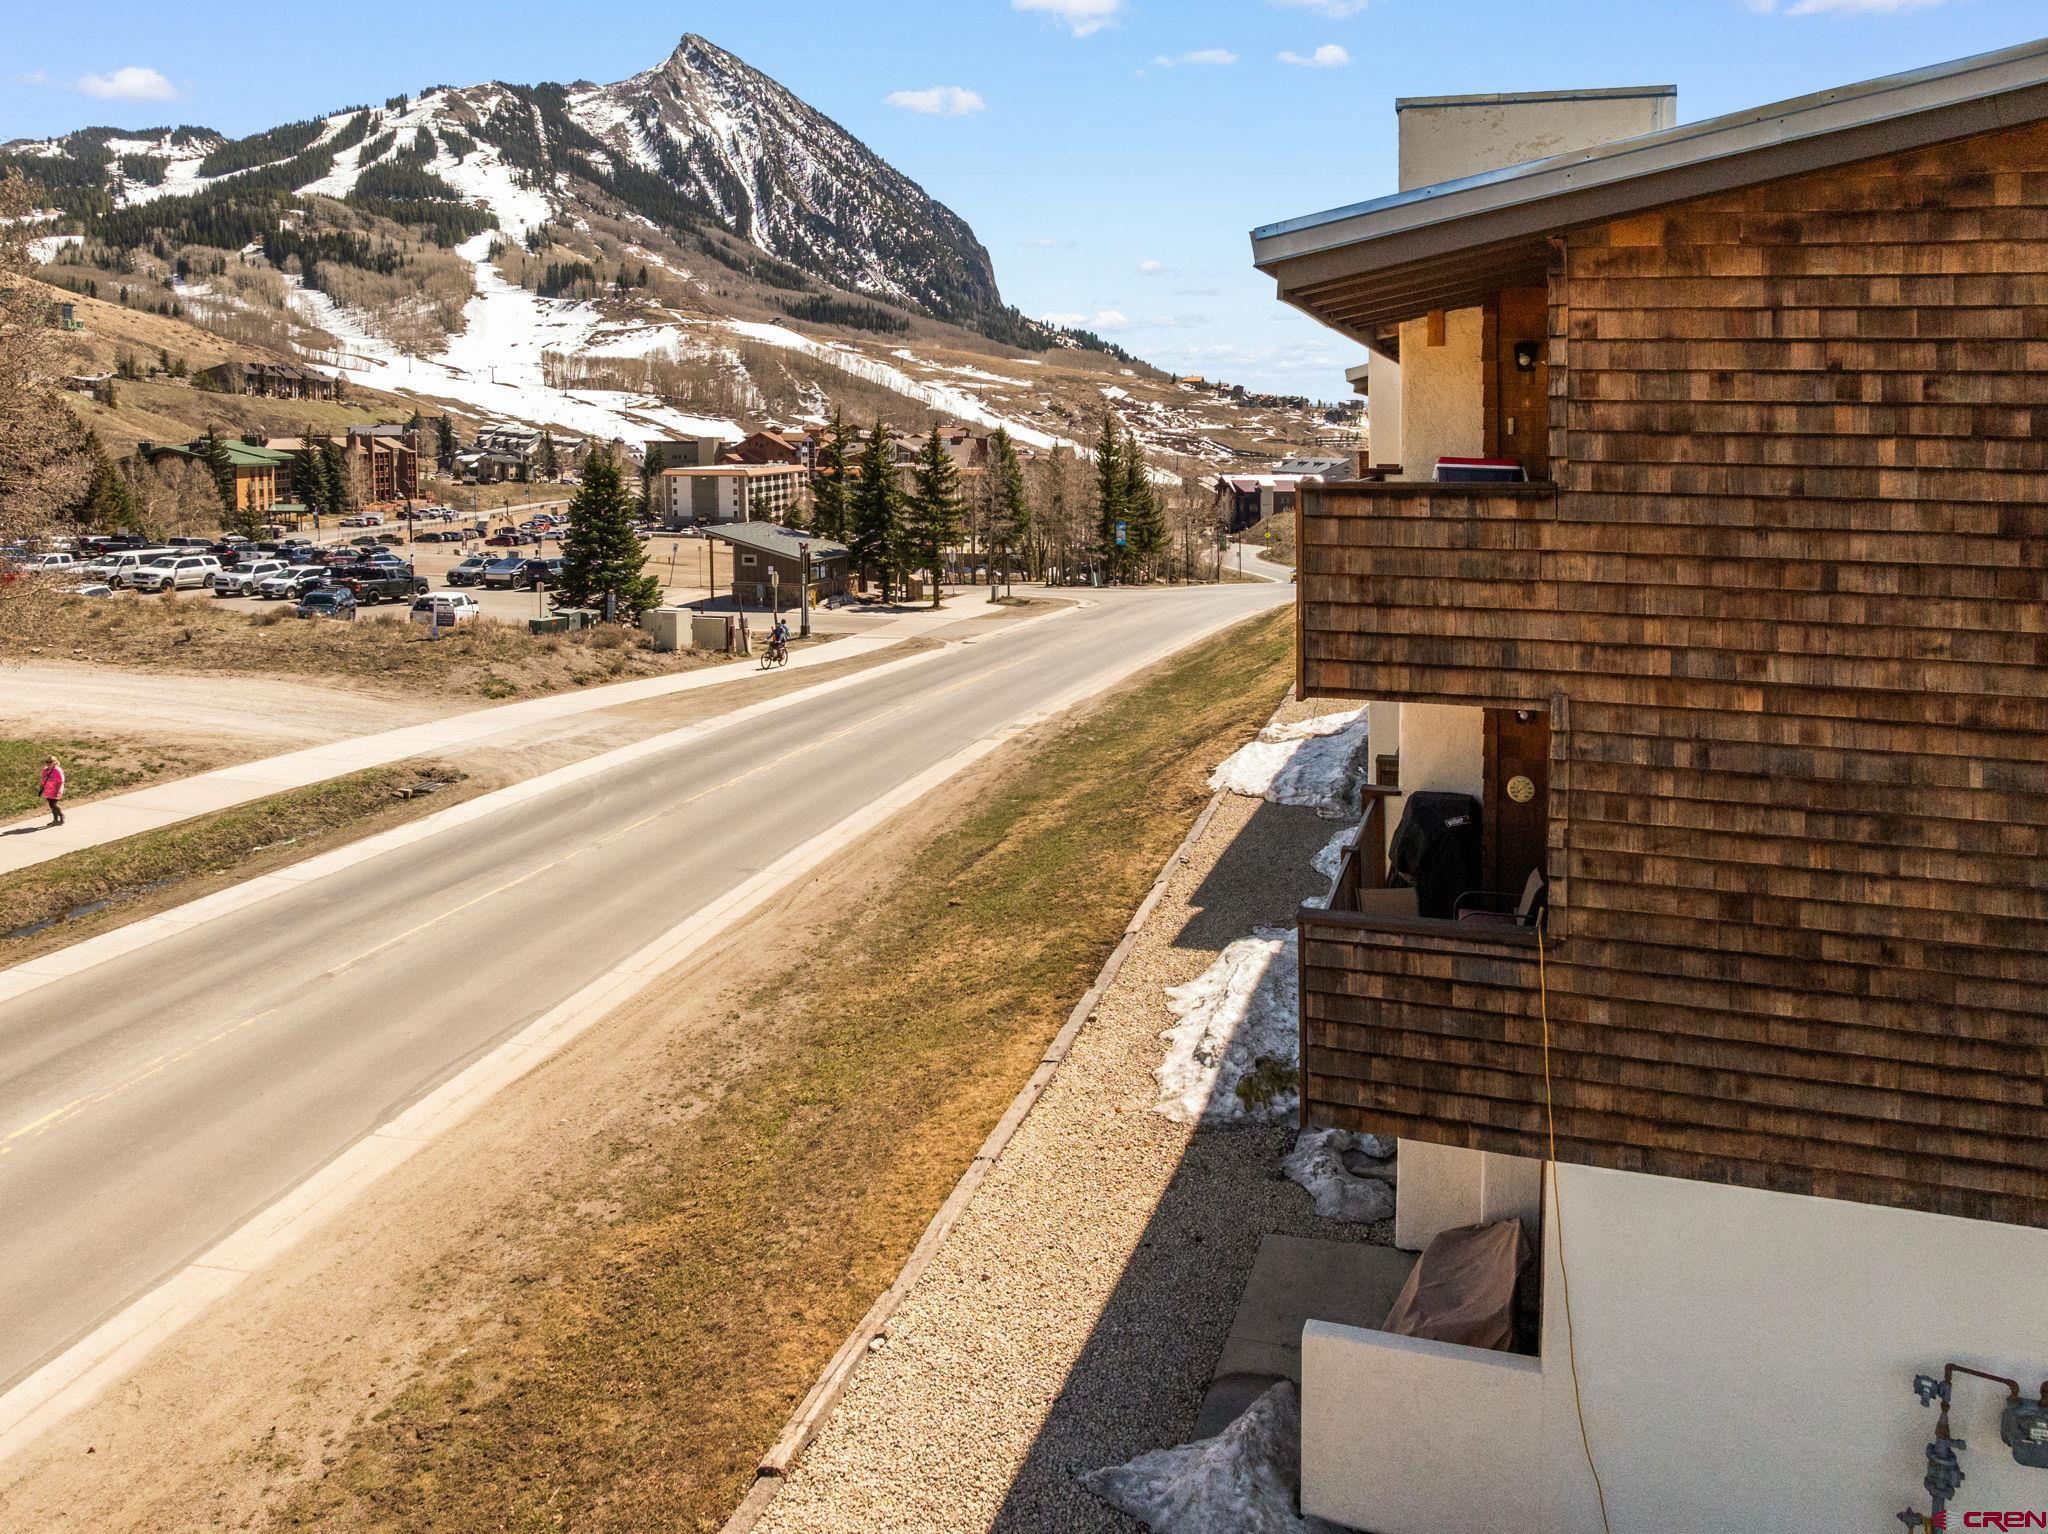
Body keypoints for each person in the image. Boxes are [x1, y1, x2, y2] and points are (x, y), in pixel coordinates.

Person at [39, 756, 65, 826]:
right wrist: (41, 788)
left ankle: (62, 816)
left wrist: (58, 790)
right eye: (47, 762)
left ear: (55, 763)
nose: (47, 764)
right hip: (48, 790)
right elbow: (43, 780)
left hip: (56, 790)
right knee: (51, 805)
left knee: (54, 804)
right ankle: (55, 820)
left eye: (49, 762)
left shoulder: (58, 770)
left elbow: (61, 781)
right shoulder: (45, 770)